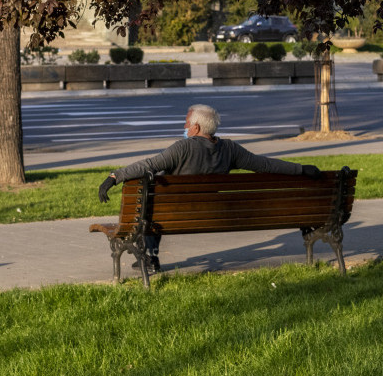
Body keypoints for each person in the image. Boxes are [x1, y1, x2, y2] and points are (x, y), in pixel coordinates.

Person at [97, 104, 321, 271]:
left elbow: (149, 165)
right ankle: (151, 256)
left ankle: (151, 257)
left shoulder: (182, 148)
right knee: (156, 206)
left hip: (172, 215)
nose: (184, 127)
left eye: (186, 123)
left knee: (149, 206)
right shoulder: (230, 150)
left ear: (195, 127)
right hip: (210, 214)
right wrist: (301, 169)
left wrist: (114, 177)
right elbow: (264, 164)